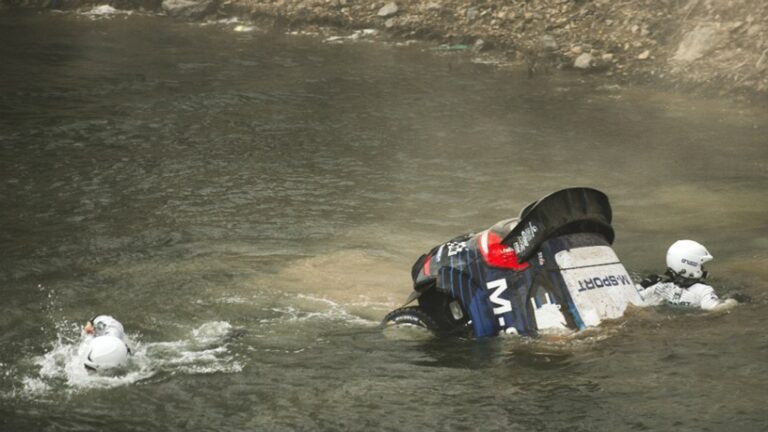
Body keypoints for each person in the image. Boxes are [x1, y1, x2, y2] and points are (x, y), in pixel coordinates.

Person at [637, 240, 737, 311]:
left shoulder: (660, 287)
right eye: (700, 265)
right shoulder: (703, 290)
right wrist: (732, 301)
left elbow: (634, 300)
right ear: (690, 265)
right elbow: (716, 308)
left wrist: (642, 285)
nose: (702, 268)